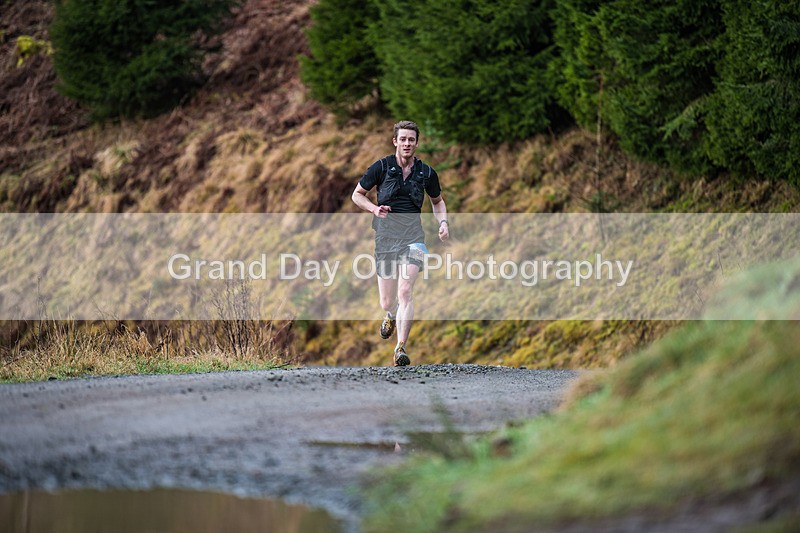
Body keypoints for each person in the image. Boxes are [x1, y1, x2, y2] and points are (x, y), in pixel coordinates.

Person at [351, 120, 449, 366]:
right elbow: (357, 195)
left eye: (411, 140)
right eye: (403, 139)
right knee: (387, 300)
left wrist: (443, 223)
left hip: (414, 239)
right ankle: (390, 314)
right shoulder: (381, 167)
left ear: (416, 143)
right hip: (385, 239)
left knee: (405, 290)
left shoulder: (426, 173)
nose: (407, 143)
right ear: (395, 141)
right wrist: (374, 209)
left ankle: (400, 348)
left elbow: (437, 201)